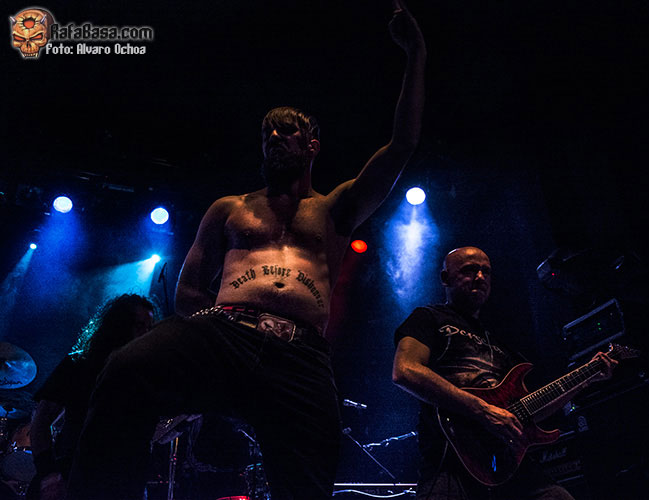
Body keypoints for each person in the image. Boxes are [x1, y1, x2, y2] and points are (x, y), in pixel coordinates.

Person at [66, 2, 425, 499]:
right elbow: (188, 291)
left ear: (312, 145)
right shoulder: (229, 208)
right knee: (126, 369)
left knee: (307, 482)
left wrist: (416, 53)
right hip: (226, 331)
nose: (274, 137)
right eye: (266, 132)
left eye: (287, 130)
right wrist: (217, 338)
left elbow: (402, 145)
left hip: (299, 353)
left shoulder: (335, 208)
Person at [392, 247, 617, 500]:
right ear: (446, 278)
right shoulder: (428, 317)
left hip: (507, 460)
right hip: (452, 457)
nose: (480, 277)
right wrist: (483, 410)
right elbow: (405, 371)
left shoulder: (499, 344)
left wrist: (584, 379)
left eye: (486, 272)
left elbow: (528, 411)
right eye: (469, 270)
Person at [29, 294, 156, 500]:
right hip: (78, 478)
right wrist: (49, 474)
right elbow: (40, 421)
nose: (146, 334)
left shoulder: (146, 376)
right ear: (119, 326)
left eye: (150, 328)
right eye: (140, 326)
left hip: (127, 484)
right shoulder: (80, 364)